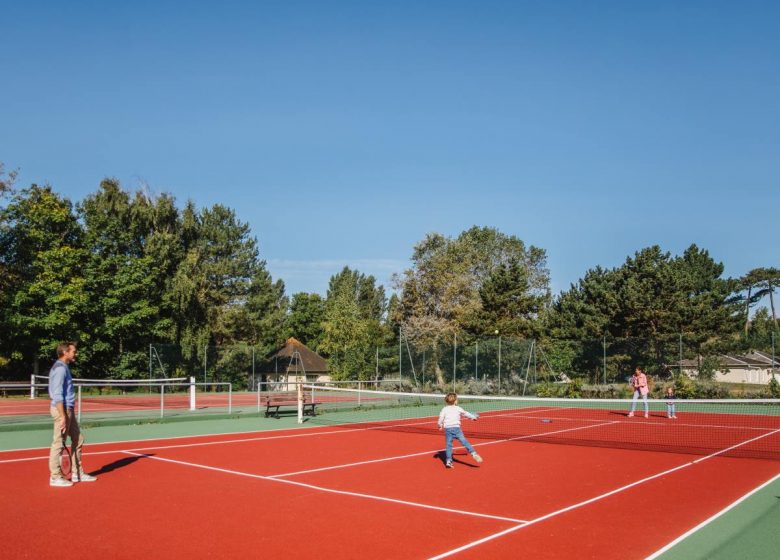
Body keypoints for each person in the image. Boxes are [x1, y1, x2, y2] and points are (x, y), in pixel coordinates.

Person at [48, 342, 97, 487]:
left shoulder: (64, 367)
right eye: (73, 351)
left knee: (78, 438)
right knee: (59, 442)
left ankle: (77, 473)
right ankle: (55, 476)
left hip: (68, 409)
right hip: (62, 410)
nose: (76, 354)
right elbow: (57, 395)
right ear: (65, 352)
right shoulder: (60, 369)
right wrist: (63, 416)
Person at [437, 392, 483, 469]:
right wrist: (473, 417)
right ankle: (473, 453)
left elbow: (441, 418)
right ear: (455, 401)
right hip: (456, 429)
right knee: (464, 442)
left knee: (448, 446)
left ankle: (448, 461)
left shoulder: (444, 409)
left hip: (448, 429)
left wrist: (439, 425)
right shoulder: (458, 408)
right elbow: (466, 414)